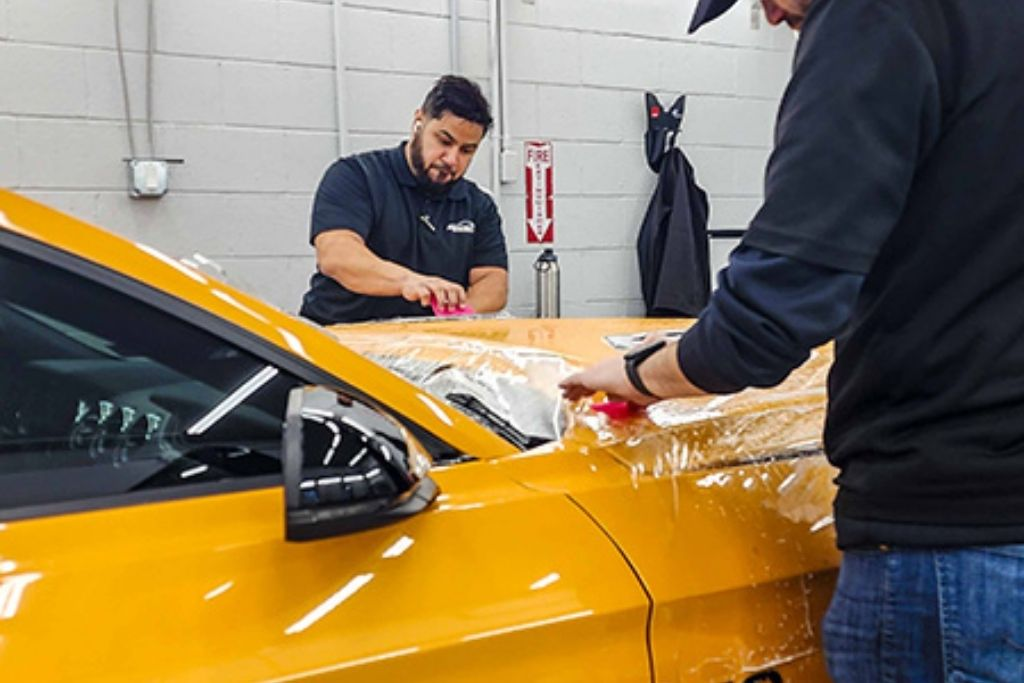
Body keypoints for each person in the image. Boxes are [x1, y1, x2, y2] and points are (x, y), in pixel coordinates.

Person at [561, 0, 1024, 680]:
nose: (772, 14)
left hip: (944, 546)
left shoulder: (876, 16)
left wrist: (633, 374)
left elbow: (768, 319)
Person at [300, 75, 508, 324]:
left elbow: (493, 283)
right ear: (419, 121)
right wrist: (409, 282)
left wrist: (453, 319)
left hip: (424, 344)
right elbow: (337, 256)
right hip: (340, 337)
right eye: (444, 141)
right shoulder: (356, 176)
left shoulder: (478, 205)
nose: (452, 159)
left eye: (467, 150)